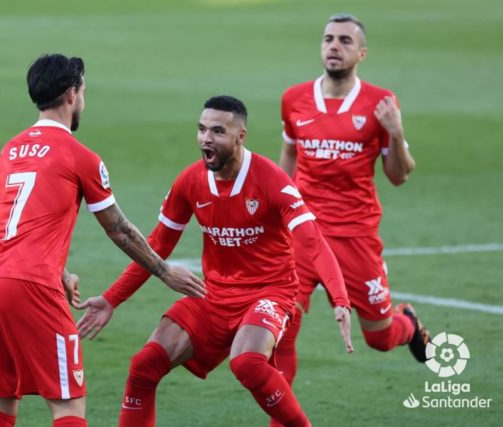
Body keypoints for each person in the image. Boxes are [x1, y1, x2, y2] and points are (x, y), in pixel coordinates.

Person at [76, 95, 354, 427]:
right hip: (213, 297)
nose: (206, 138)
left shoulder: (272, 180)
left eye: (218, 131)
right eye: (202, 129)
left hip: (269, 293)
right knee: (144, 366)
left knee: (247, 363)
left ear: (241, 136)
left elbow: (313, 242)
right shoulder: (190, 182)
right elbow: (156, 246)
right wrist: (110, 300)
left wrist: (339, 298)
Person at [0, 53, 205, 427]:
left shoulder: (9, 150)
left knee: (0, 404)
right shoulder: (79, 156)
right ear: (71, 94)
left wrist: (58, 269)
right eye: (84, 91)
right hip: (30, 287)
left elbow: (20, 222)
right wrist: (162, 270)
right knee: (67, 407)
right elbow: (120, 229)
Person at [274, 14, 429, 425]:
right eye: (328, 39)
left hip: (356, 237)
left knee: (379, 338)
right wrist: (280, 206)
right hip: (304, 234)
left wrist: (395, 133)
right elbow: (289, 153)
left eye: (345, 40)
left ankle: (409, 326)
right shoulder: (295, 99)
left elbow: (398, 175)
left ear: (362, 53)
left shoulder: (380, 103)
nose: (334, 46)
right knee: (282, 326)